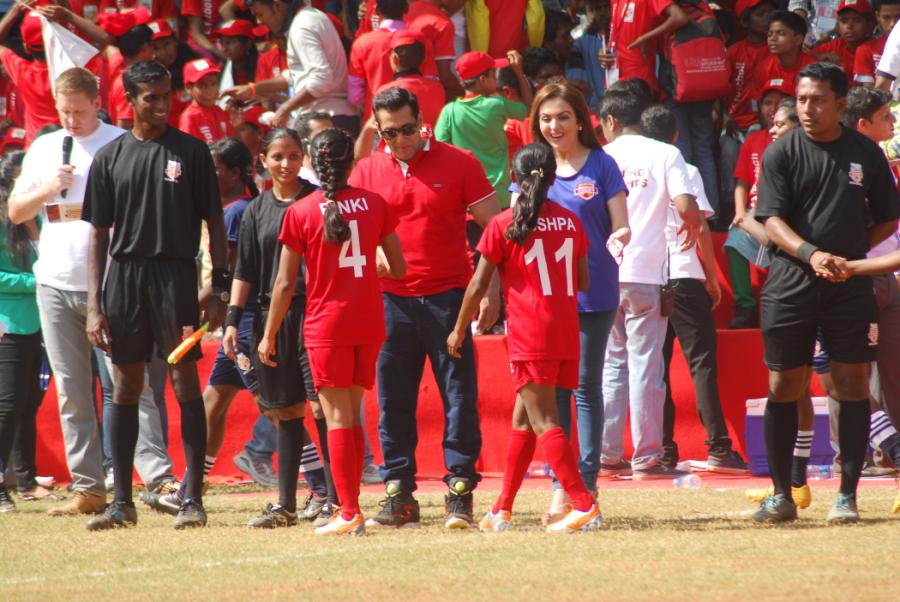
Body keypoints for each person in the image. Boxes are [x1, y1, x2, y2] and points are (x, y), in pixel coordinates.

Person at [8, 67, 174, 517]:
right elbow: (15, 209)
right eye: (64, 112)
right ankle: (88, 486)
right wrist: (48, 187)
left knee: (130, 383)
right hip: (55, 281)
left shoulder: (119, 143)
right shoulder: (44, 148)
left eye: (79, 112)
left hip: (111, 281)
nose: (70, 121)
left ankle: (157, 478)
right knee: (71, 390)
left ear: (97, 104)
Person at [82, 60, 229, 531]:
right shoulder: (110, 158)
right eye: (152, 97)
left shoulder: (191, 151)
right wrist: (93, 305)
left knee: (184, 382)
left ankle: (192, 499)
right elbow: (98, 235)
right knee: (124, 386)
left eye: (168, 95)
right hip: (124, 281)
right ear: (130, 100)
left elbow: (215, 221)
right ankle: (121, 502)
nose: (163, 104)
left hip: (176, 279)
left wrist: (220, 284)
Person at [752, 62, 900, 523]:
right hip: (791, 282)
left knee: (852, 383)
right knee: (784, 384)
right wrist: (814, 255)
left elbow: (888, 219)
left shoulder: (867, 153)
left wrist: (848, 257)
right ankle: (781, 495)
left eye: (817, 100)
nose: (808, 108)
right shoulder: (781, 152)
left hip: (849, 285)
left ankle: (847, 496)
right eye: (801, 100)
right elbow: (770, 221)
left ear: (840, 103)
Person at [349, 87, 501, 529]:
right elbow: (350, 231)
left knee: (458, 397)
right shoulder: (366, 170)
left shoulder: (460, 162)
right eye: (391, 132)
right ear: (378, 130)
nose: (402, 140)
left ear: (423, 120)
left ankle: (459, 491)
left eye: (409, 128)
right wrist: (369, 251)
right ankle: (399, 496)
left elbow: (496, 228)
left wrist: (490, 288)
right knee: (393, 399)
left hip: (449, 299)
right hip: (389, 301)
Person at [449, 143, 603, 533]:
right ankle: (501, 508)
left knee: (544, 418)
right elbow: (583, 281)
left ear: (514, 179)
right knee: (524, 416)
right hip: (566, 329)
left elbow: (478, 285)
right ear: (552, 178)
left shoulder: (503, 223)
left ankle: (583, 503)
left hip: (531, 332)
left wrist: (457, 328)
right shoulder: (571, 221)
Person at [263, 128, 406, 535]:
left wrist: (269, 334)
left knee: (337, 415)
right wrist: (372, 266)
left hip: (328, 323)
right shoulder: (375, 203)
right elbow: (399, 268)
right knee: (351, 413)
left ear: (312, 159)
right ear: (351, 163)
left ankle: (348, 511)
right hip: (369, 320)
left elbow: (284, 284)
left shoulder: (302, 210)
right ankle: (350, 507)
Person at [526, 81, 628, 521]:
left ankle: (585, 486)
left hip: (595, 292)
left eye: (563, 117)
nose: (554, 125)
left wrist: (621, 239)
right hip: (544, 299)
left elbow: (621, 224)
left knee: (585, 387)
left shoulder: (603, 165)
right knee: (553, 394)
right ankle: (561, 486)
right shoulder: (531, 168)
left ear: (580, 120)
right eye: (546, 118)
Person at [597, 88, 702, 481]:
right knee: (646, 366)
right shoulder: (665, 153)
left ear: (609, 122)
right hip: (646, 273)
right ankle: (646, 456)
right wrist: (691, 228)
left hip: (606, 274)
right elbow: (686, 204)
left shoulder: (601, 157)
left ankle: (607, 453)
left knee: (612, 364)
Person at [640, 104, 748, 473]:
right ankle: (718, 446)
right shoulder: (684, 169)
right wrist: (713, 276)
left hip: (647, 274)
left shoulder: (630, 171)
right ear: (675, 136)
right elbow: (699, 225)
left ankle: (664, 448)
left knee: (655, 368)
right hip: (683, 273)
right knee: (701, 363)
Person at [221, 1, 358, 134]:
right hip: (331, 118)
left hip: (327, 120)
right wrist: (252, 89)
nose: (258, 21)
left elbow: (321, 79)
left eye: (260, 14)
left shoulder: (302, 26)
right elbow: (296, 74)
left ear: (276, 5)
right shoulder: (309, 17)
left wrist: (285, 109)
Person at [725, 79, 794, 329]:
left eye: (778, 104)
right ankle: (745, 307)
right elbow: (742, 181)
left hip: (782, 214)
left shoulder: (797, 145)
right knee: (733, 240)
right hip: (755, 213)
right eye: (767, 103)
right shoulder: (754, 140)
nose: (771, 109)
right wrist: (740, 212)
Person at [435, 51, 529, 209]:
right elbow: (527, 108)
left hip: (468, 200)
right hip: (500, 197)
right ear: (482, 80)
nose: (496, 80)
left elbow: (438, 147)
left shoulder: (449, 111)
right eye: (494, 75)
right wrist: (519, 73)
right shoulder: (497, 104)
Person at [0, 150, 38, 514]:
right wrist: (36, 280)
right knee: (7, 405)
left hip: (42, 321)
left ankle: (26, 480)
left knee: (29, 403)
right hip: (8, 321)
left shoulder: (40, 218)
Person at [348, 0, 409, 122]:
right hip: (409, 115)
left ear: (376, 11)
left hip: (376, 116)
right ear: (406, 9)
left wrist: (359, 103)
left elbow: (354, 83)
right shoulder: (418, 39)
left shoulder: (363, 42)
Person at [99, 7, 155, 130]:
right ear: (145, 47)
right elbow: (123, 131)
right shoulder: (128, 84)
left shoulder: (117, 61)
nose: (154, 50)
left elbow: (108, 44)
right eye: (152, 44)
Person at [811, 0, 875, 79]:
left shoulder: (877, 49)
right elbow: (803, 60)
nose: (849, 26)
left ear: (869, 25)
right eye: (844, 21)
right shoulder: (829, 48)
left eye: (857, 20)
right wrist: (818, 57)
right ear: (837, 26)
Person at [179, 59, 234, 145]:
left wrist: (236, 125)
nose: (210, 91)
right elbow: (189, 153)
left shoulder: (220, 111)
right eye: (202, 86)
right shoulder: (190, 117)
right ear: (189, 88)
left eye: (213, 84)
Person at [853, 0, 900, 86]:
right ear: (877, 16)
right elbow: (869, 92)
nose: (893, 24)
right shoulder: (865, 50)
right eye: (886, 17)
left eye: (898, 17)